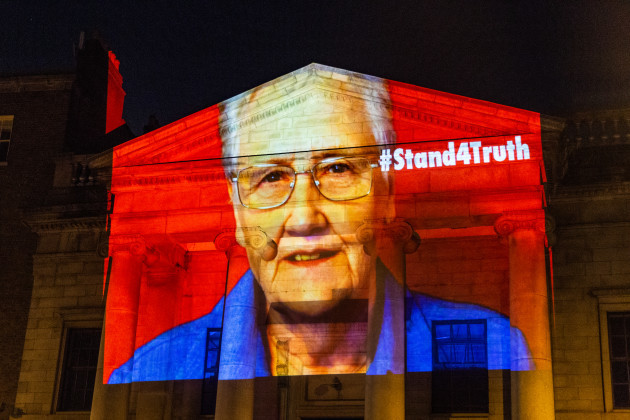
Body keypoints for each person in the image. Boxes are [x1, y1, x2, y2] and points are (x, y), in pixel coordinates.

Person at [107, 67, 531, 384]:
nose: (307, 216)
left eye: (339, 169)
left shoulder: (500, 347)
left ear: (386, 195)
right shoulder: (144, 372)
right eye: (270, 177)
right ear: (236, 211)